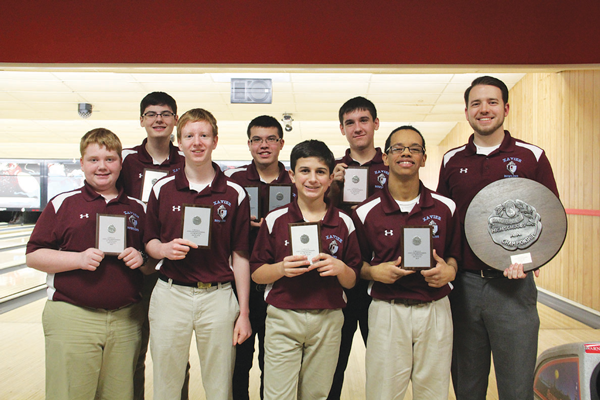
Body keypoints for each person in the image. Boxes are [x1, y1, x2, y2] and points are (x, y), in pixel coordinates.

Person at [436, 76, 559, 400]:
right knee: (467, 385)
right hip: (463, 287)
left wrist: (525, 261)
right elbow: (444, 223)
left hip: (514, 288)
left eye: (491, 102)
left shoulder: (532, 156)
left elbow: (549, 221)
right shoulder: (452, 160)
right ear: (466, 112)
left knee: (517, 388)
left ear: (505, 108)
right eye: (476, 103)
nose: (484, 109)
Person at [26, 128, 149, 400]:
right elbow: (33, 255)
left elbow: (150, 261)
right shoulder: (62, 204)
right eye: (93, 159)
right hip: (73, 316)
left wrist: (142, 259)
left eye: (110, 159)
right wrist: (78, 259)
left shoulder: (138, 208)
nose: (102, 166)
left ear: (120, 163)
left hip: (126, 319)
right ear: (81, 163)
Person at [144, 108, 252, 400]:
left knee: (219, 388)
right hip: (170, 294)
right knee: (166, 385)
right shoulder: (162, 188)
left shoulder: (234, 193)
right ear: (179, 143)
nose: (197, 142)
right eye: (189, 136)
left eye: (204, 135)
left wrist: (244, 313)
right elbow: (149, 242)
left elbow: (240, 256)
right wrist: (163, 249)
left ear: (215, 140)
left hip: (218, 297)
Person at [353, 126, 460, 399]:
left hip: (435, 310)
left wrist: (449, 270)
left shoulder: (445, 206)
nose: (406, 153)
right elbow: (357, 265)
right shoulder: (365, 211)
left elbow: (454, 256)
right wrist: (373, 272)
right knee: (383, 393)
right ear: (385, 158)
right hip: (387, 310)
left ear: (423, 158)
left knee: (433, 393)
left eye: (414, 148)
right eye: (398, 148)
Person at [251, 140, 362, 400]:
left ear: (331, 176)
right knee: (278, 394)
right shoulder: (275, 220)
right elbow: (257, 272)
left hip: (328, 318)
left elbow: (352, 280)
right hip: (282, 316)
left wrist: (340, 267)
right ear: (292, 176)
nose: (312, 179)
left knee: (317, 394)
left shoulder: (345, 222)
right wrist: (281, 268)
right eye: (304, 171)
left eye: (320, 172)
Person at [120, 91, 188, 400]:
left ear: (175, 119)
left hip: (172, 270)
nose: (158, 119)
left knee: (175, 356)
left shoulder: (187, 162)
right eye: (151, 114)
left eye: (165, 113)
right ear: (141, 121)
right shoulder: (125, 160)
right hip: (131, 268)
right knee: (133, 353)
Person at [224, 115, 292, 400]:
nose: (264, 145)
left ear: (281, 143)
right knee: (238, 362)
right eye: (257, 140)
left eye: (271, 139)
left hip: (280, 285)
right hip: (239, 285)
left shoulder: (295, 182)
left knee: (273, 363)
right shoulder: (234, 182)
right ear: (249, 144)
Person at [328, 96, 389, 399]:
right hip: (341, 277)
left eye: (364, 120)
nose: (358, 127)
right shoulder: (333, 172)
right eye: (350, 122)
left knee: (381, 364)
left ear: (376, 124)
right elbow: (319, 220)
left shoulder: (392, 168)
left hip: (382, 277)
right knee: (332, 364)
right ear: (342, 129)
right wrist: (333, 188)